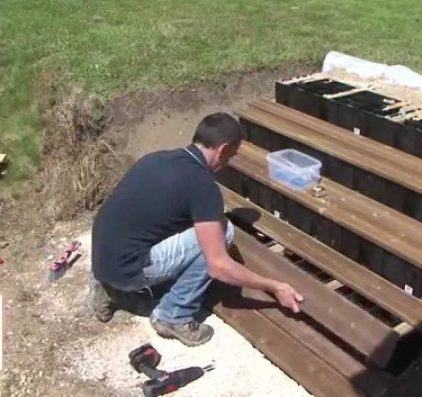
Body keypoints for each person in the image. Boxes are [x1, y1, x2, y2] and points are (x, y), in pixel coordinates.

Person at [90, 112, 303, 346]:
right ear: (223, 149)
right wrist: (274, 286)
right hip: (128, 271)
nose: (228, 162)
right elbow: (218, 267)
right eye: (231, 155)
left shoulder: (156, 159)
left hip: (102, 261)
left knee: (177, 227)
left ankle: (109, 289)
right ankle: (173, 314)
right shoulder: (202, 186)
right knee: (223, 231)